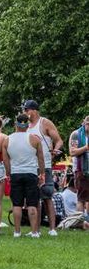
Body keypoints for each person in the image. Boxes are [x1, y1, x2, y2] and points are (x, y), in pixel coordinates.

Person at [23, 100, 64, 236]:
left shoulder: (44, 123)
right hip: (30, 166)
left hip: (44, 165)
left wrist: (55, 150)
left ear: (34, 110)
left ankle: (52, 229)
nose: (25, 113)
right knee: (34, 199)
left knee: (47, 196)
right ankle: (36, 229)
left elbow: (58, 140)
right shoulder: (27, 126)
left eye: (27, 110)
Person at [7, 113, 45, 237]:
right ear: (28, 125)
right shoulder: (35, 139)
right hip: (31, 173)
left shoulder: (7, 139)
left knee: (17, 204)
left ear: (15, 124)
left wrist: (8, 173)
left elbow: (6, 160)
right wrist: (42, 173)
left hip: (15, 173)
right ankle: (34, 232)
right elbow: (41, 159)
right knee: (32, 204)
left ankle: (17, 231)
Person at [68, 114, 89, 213]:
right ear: (83, 123)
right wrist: (86, 147)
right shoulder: (76, 134)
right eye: (87, 124)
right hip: (81, 171)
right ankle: (80, 222)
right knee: (81, 198)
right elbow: (72, 152)